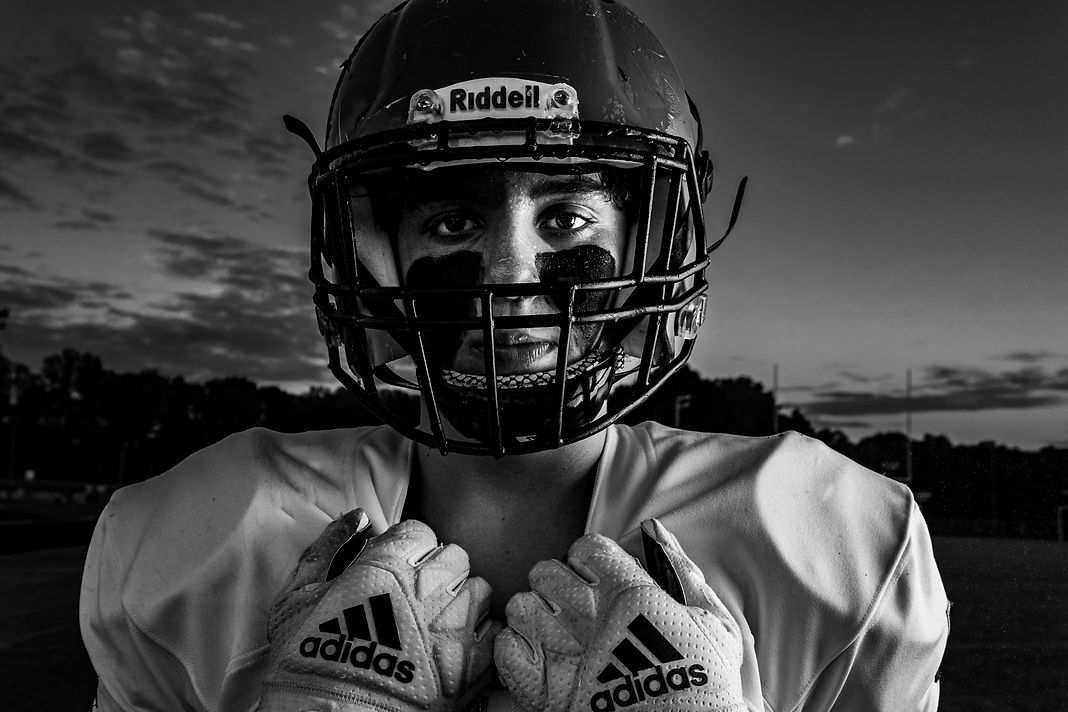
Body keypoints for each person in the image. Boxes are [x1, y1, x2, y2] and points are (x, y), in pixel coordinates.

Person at [80, 0, 950, 710]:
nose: (509, 274)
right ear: (375, 257)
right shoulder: (198, 534)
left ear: (649, 243)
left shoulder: (835, 543)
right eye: (453, 222)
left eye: (567, 219)